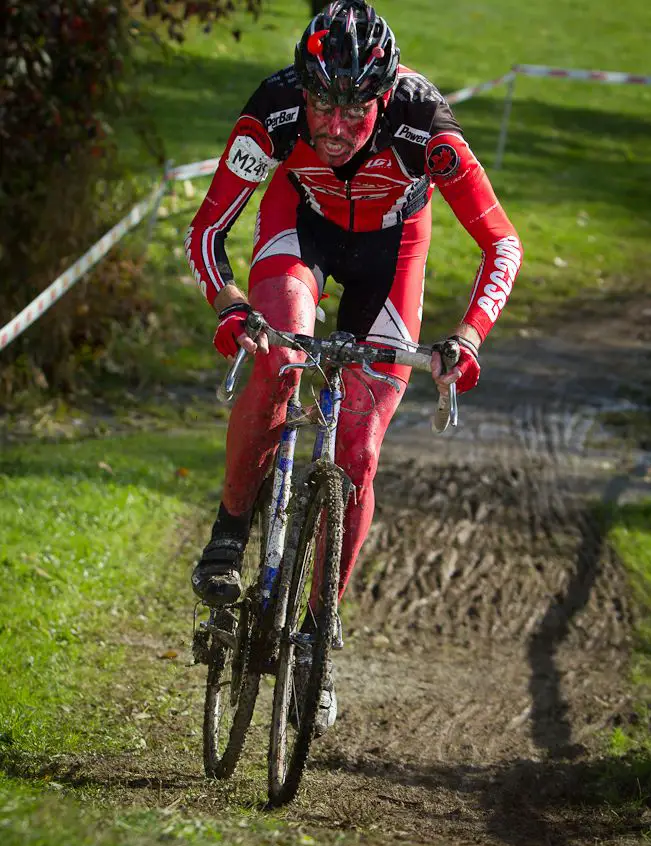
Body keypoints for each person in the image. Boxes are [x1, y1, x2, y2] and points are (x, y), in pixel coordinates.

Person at [186, 0, 522, 732]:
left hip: (391, 253)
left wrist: (466, 336)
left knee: (360, 448)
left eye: (353, 109)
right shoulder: (273, 109)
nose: (333, 127)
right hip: (297, 228)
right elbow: (209, 227)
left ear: (383, 94)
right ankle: (229, 533)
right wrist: (230, 305)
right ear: (300, 87)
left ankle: (317, 633)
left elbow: (503, 245)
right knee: (279, 356)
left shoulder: (424, 125)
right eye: (320, 104)